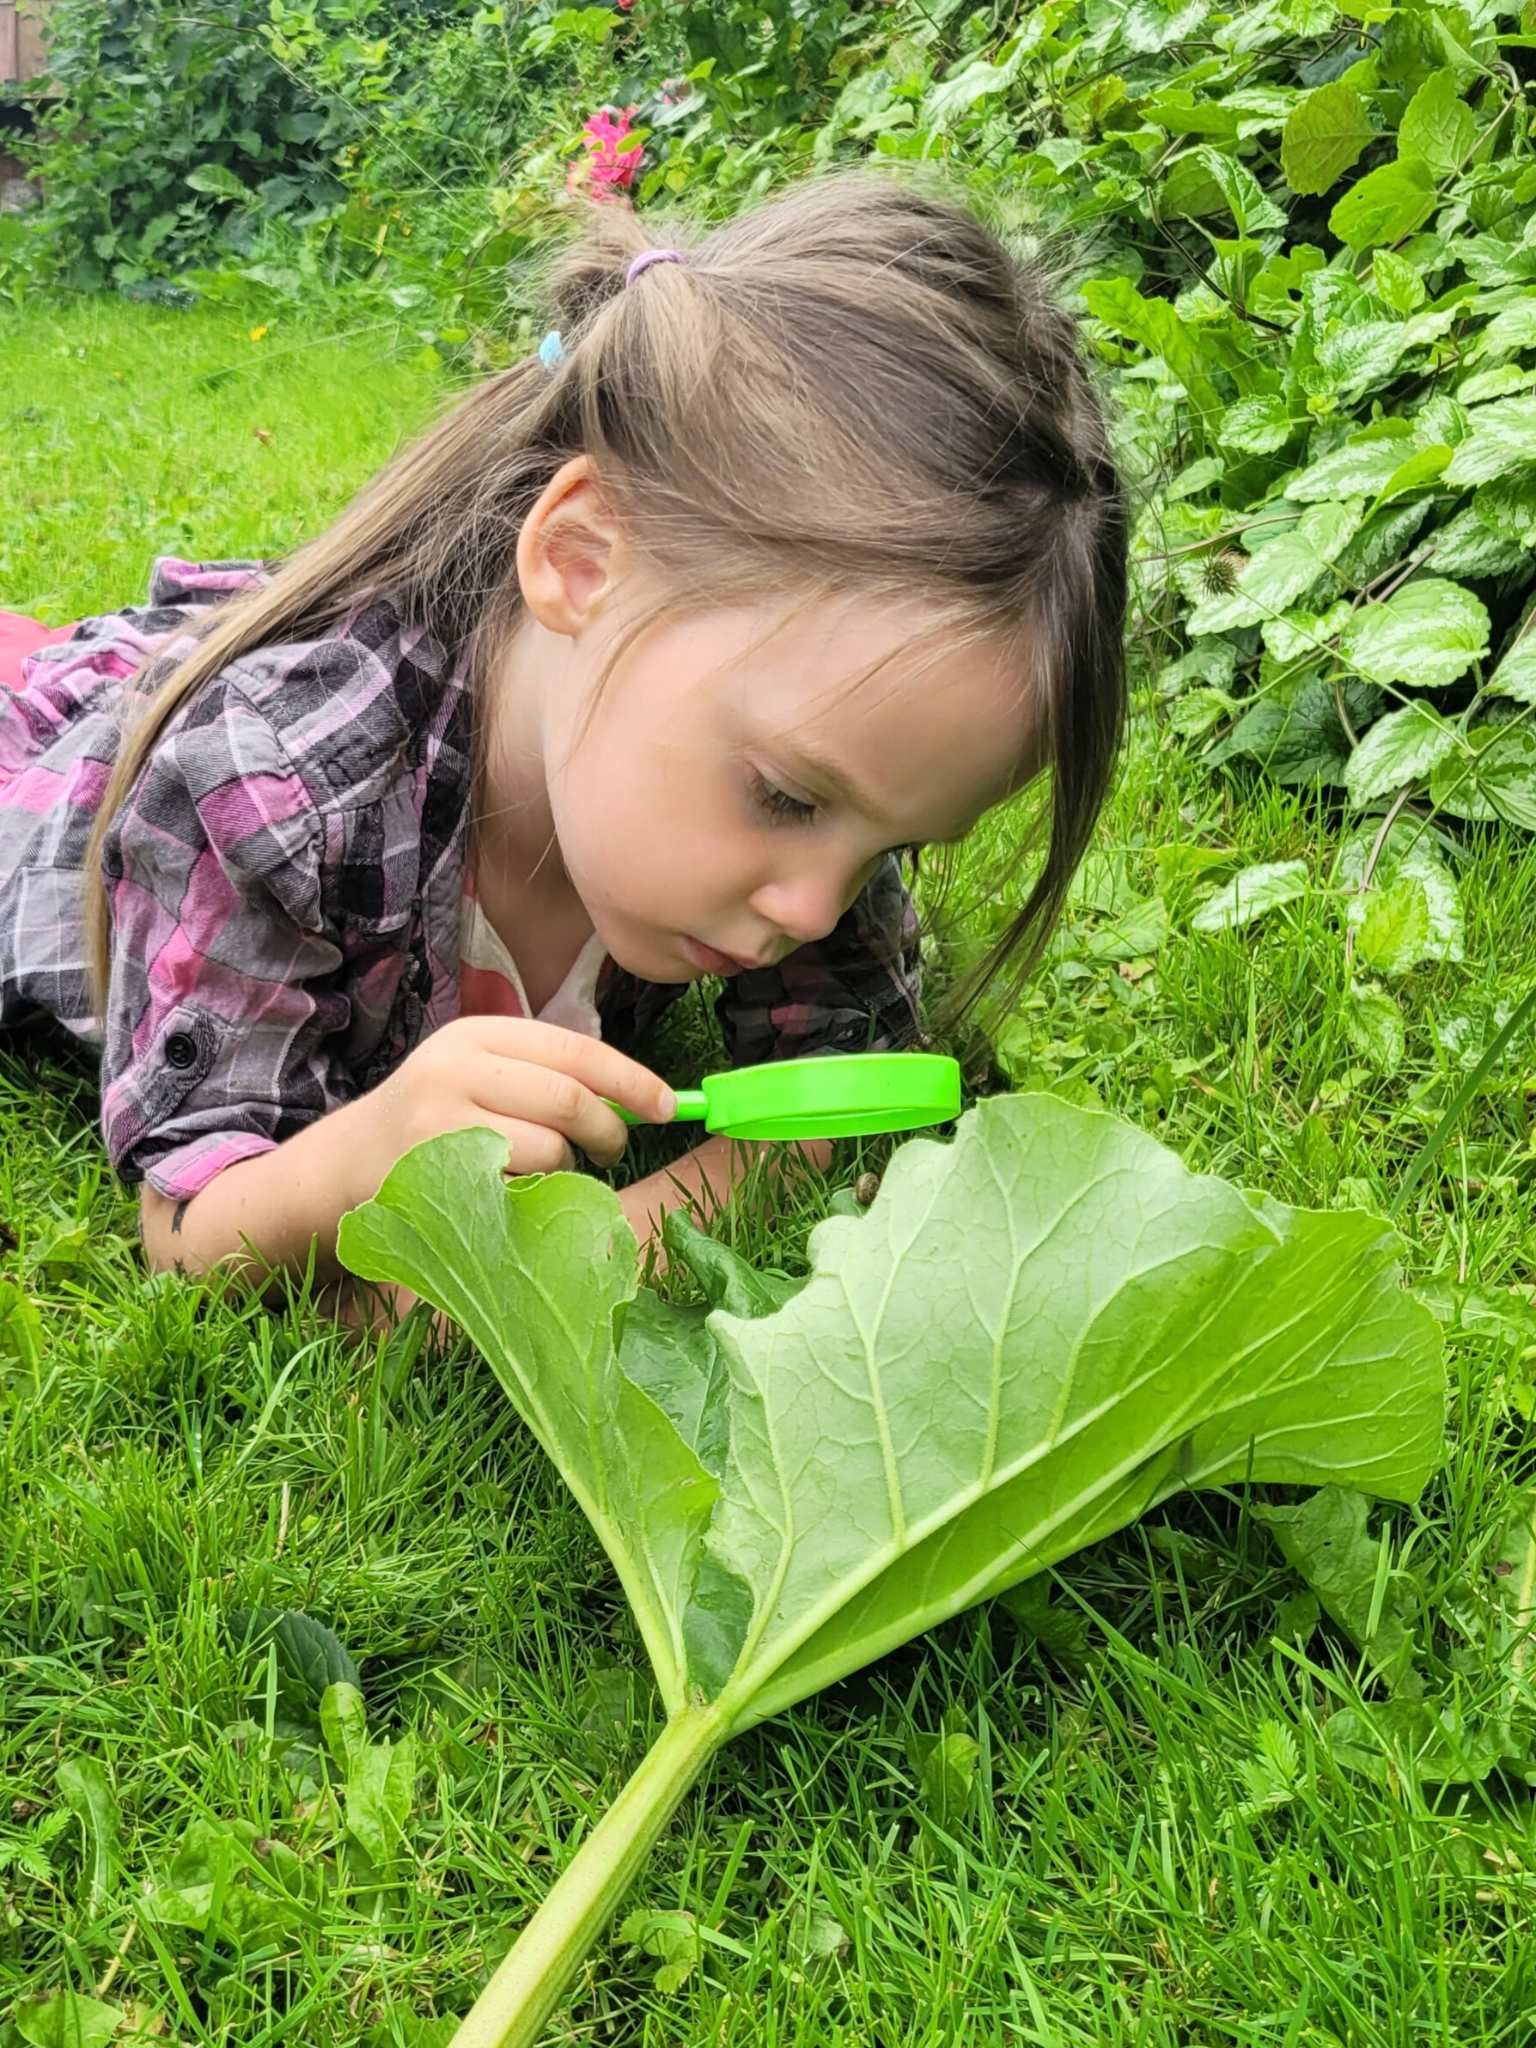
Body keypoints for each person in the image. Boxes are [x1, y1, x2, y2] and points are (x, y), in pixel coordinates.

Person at [0, 172, 1127, 1323]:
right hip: (66, 798)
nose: (816, 910)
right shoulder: (268, 788)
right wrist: (363, 1153)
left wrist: (599, 1249)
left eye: (891, 842)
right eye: (787, 798)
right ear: (583, 562)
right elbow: (189, 1221)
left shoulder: (823, 801)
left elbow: (839, 1106)